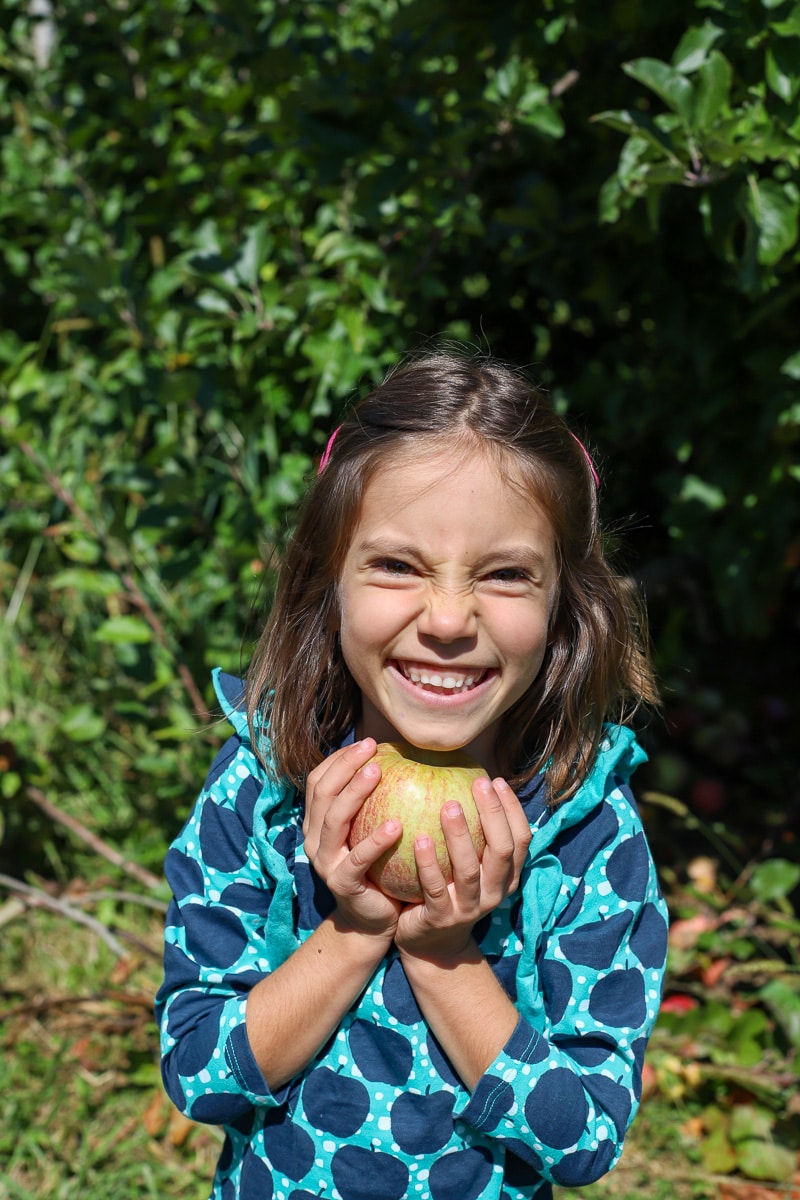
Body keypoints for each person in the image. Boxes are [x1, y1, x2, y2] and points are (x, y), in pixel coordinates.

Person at [156, 350, 669, 1200]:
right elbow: (198, 1074)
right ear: (331, 578)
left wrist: (441, 955)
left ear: (563, 606)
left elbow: (584, 1140)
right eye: (397, 565)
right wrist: (355, 932)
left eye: (505, 574)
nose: (446, 619)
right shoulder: (263, 787)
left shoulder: (586, 834)